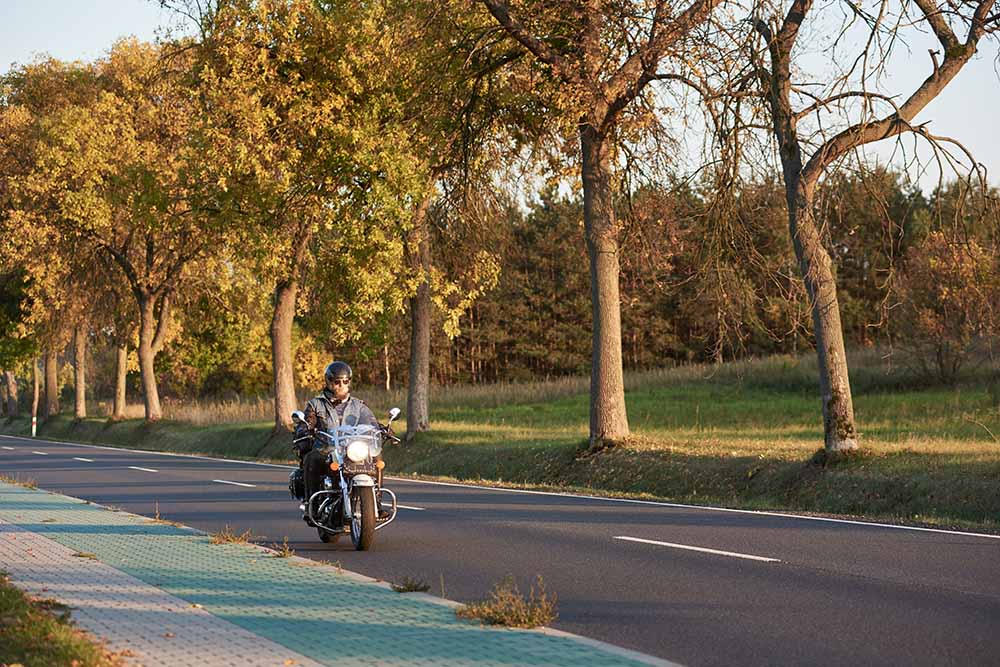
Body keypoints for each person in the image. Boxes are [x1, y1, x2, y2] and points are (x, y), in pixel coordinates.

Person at [299, 360, 379, 522]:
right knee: (311, 458)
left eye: (345, 381)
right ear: (329, 382)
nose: (341, 385)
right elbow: (306, 423)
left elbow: (370, 421)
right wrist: (304, 431)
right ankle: (311, 506)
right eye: (337, 382)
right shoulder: (316, 404)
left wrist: (382, 429)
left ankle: (376, 500)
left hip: (352, 448)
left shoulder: (359, 405)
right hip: (326, 448)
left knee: (377, 457)